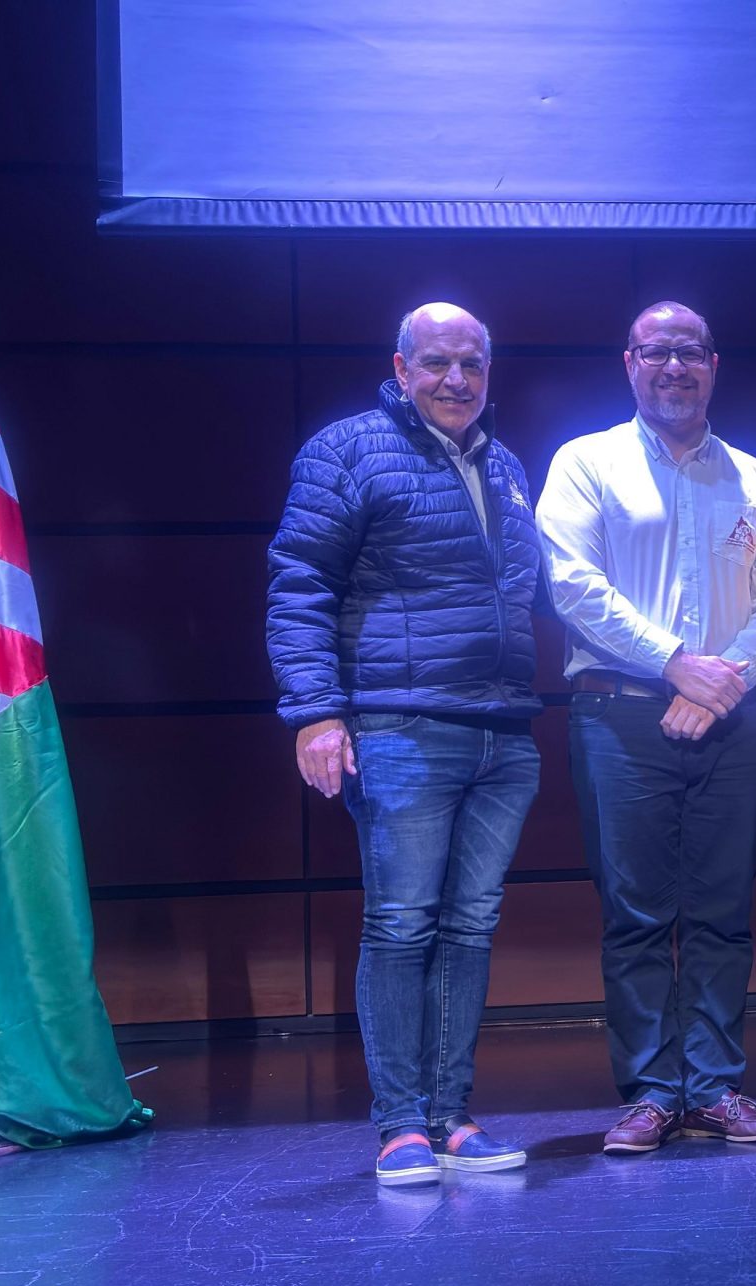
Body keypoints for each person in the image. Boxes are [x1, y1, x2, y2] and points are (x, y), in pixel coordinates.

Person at [268, 303, 541, 1184]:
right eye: (436, 363)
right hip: (401, 726)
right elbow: (300, 582)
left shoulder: (505, 464)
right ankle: (400, 1128)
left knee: (470, 927)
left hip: (502, 731)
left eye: (472, 364)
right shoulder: (347, 449)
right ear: (401, 367)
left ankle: (451, 1117)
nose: (456, 379)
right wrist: (316, 712)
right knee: (399, 924)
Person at [539, 301, 756, 1152]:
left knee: (723, 910)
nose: (674, 366)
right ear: (630, 363)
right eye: (657, 352)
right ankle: (650, 1092)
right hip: (618, 714)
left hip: (733, 717)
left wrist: (716, 685)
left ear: (715, 365)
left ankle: (714, 1087)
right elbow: (573, 587)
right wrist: (676, 663)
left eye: (690, 352)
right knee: (636, 913)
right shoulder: (586, 463)